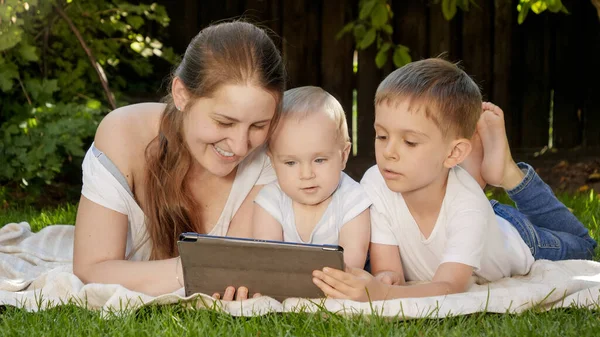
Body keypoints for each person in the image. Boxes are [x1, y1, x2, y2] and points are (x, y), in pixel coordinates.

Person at [311, 58, 597, 301]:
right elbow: (391, 273)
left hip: (515, 237)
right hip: (451, 201)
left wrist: (380, 295)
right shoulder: (375, 183)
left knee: (583, 246)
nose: (389, 152)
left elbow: (449, 287)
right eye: (382, 135)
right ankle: (474, 170)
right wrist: (384, 280)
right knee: (457, 192)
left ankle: (506, 172)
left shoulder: (468, 205)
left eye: (410, 142)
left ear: (453, 152)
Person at [72, 21, 285, 300]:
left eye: (258, 126)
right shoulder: (123, 135)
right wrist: (199, 270)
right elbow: (90, 270)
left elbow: (239, 272)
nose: (241, 146)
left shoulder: (272, 153)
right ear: (182, 94)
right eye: (224, 122)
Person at [252, 86, 371, 268]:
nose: (306, 174)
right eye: (291, 163)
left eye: (319, 160)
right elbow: (269, 263)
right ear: (273, 162)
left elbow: (351, 266)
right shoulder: (271, 201)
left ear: (344, 156)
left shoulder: (353, 199)